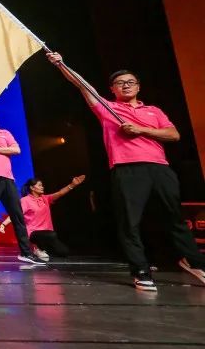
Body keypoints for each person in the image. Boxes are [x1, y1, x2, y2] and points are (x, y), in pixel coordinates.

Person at [48, 53, 205, 290]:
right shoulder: (107, 108)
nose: (126, 85)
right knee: (130, 222)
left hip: (159, 168)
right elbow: (82, 85)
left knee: (174, 217)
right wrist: (60, 63)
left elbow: (173, 135)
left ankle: (194, 262)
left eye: (130, 82)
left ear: (138, 87)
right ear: (112, 89)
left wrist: (140, 130)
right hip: (127, 169)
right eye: (120, 83)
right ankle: (141, 271)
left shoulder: (154, 111)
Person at [0, 110, 46, 267]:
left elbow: (16, 149)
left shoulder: (5, 133)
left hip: (7, 178)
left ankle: (26, 253)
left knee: (18, 216)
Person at [4, 175, 86, 261]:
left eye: (42, 185)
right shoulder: (25, 200)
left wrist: (73, 184)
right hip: (33, 233)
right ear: (32, 188)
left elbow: (60, 193)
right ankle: (37, 248)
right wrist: (3, 224)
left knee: (64, 252)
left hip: (47, 234)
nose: (42, 187)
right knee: (52, 234)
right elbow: (16, 214)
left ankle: (43, 249)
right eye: (39, 185)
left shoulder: (45, 198)